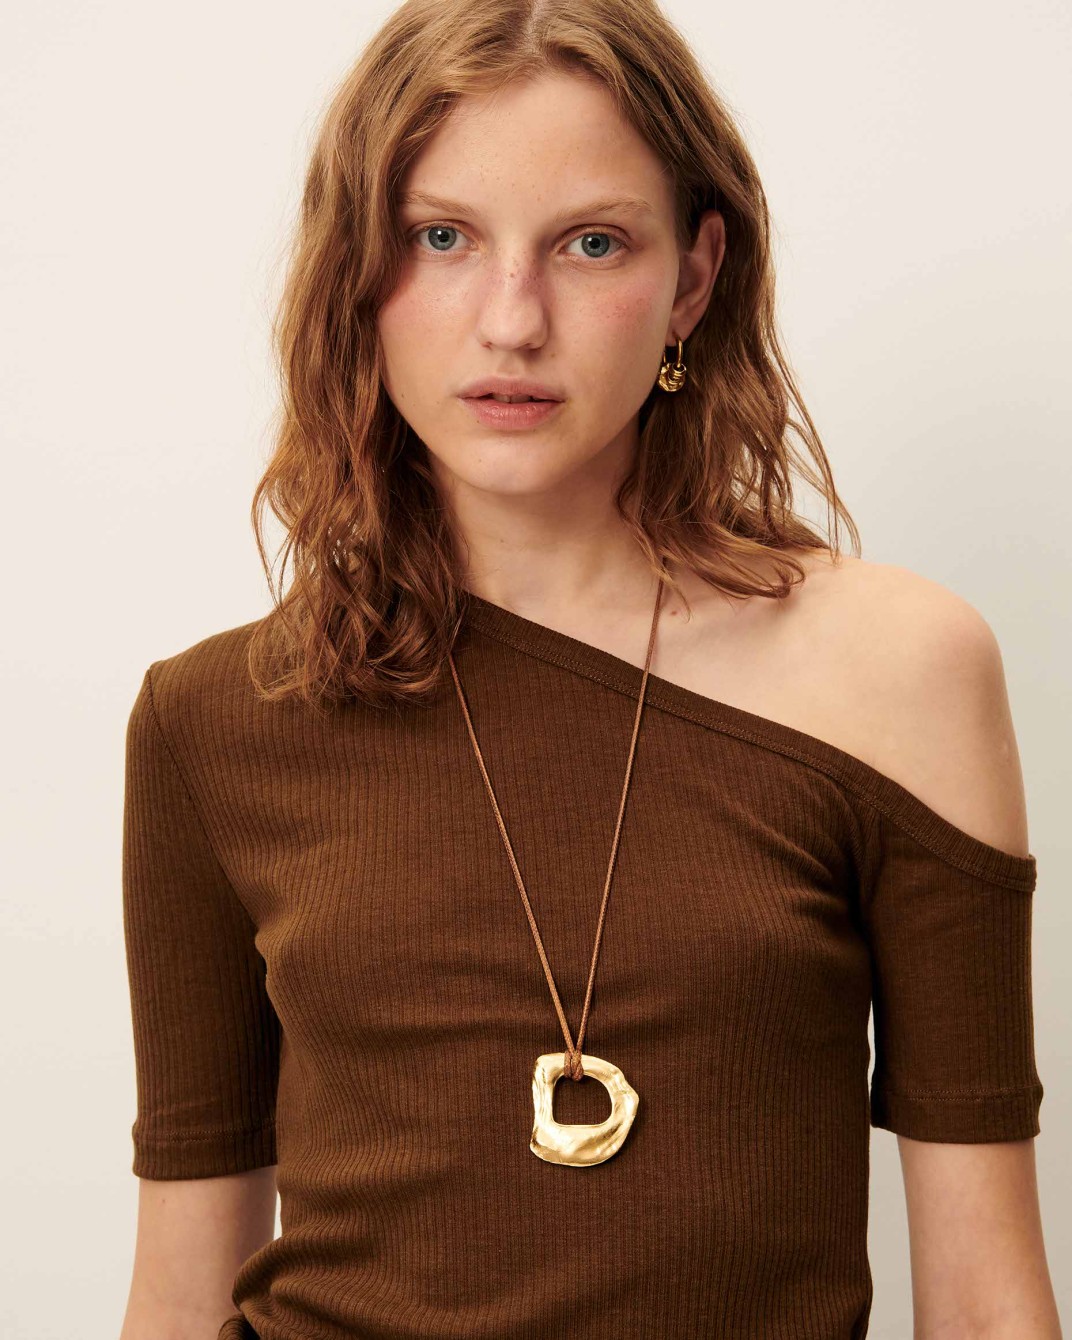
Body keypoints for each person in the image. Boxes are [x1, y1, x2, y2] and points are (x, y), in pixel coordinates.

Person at [118, 1, 1061, 1337]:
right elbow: (177, 1291)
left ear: (693, 278)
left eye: (591, 243)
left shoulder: (900, 674)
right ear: (356, 273)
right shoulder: (212, 722)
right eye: (441, 237)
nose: (512, 322)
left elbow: (987, 1304)